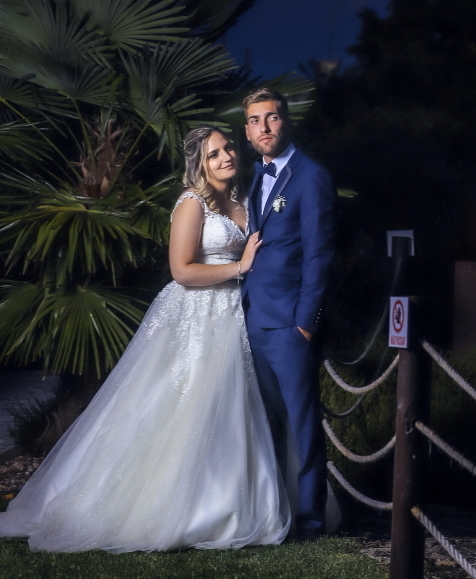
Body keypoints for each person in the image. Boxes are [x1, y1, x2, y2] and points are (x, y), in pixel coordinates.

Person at [0, 127, 291, 552]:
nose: (226, 156)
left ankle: (230, 501)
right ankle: (164, 504)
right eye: (213, 154)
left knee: (230, 406)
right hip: (195, 314)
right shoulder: (191, 203)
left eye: (228, 147)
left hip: (236, 312)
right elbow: (182, 271)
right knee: (183, 403)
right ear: (200, 164)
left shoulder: (247, 200)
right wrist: (240, 268)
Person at [241, 88, 335, 541]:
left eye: (272, 118)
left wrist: (305, 322)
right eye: (255, 120)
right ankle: (275, 515)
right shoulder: (254, 177)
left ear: (286, 122)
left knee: (302, 426)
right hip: (254, 318)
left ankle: (311, 522)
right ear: (247, 131)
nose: (264, 127)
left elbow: (319, 254)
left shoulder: (311, 176)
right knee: (268, 425)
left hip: (289, 325)